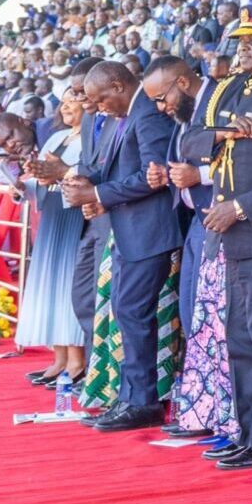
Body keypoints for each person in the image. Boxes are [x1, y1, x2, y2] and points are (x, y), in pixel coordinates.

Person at [177, 8, 252, 473]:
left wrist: (243, 206)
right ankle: (247, 434)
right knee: (239, 339)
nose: (242, 48)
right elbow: (189, 142)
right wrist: (222, 133)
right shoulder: (229, 87)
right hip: (227, 234)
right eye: (239, 41)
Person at [64, 61, 186, 432]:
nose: (99, 108)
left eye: (101, 100)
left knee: (134, 314)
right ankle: (130, 395)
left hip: (150, 231)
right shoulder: (125, 116)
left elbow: (153, 177)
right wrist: (86, 181)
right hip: (128, 230)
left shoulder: (147, 114)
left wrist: (98, 192)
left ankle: (142, 401)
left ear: (118, 86)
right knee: (125, 313)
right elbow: (117, 170)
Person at [15, 78, 90, 387]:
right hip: (52, 218)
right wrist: (23, 185)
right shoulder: (56, 136)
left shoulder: (92, 138)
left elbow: (83, 176)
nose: (66, 105)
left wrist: (55, 179)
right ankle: (58, 359)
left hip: (75, 216)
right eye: (64, 101)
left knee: (69, 287)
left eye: (73, 99)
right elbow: (40, 179)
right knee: (50, 287)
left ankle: (77, 362)